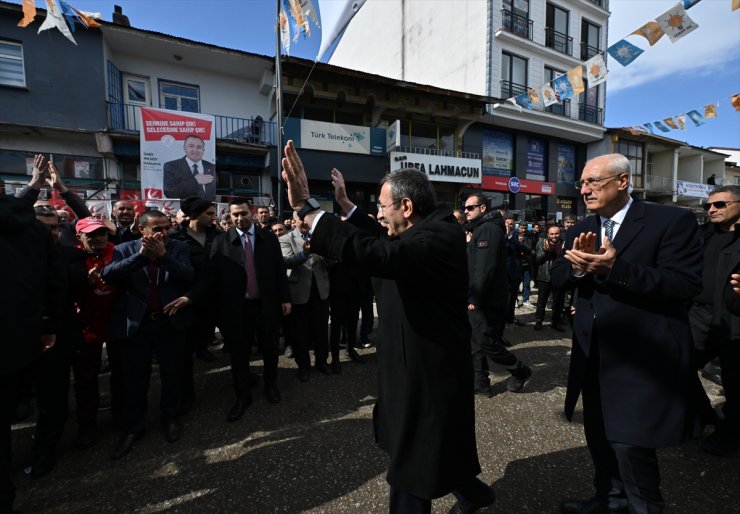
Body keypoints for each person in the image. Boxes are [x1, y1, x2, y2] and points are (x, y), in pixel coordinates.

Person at [282, 141, 495, 514]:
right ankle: (473, 494)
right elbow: (380, 236)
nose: (378, 214)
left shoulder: (438, 236)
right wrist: (346, 206)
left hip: (427, 370)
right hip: (410, 359)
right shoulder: (423, 228)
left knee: (412, 460)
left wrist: (308, 210)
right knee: (433, 443)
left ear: (406, 207)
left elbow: (380, 252)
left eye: (382, 206)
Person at [551, 154, 702, 514]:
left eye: (594, 182)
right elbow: (557, 277)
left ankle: (644, 506)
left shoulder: (670, 220)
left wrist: (616, 269)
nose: (585, 190)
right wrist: (577, 270)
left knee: (630, 444)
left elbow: (684, 283)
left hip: (641, 357)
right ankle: (609, 500)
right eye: (582, 184)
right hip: (594, 356)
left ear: (622, 181)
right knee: (599, 437)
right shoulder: (581, 228)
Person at [168, 200, 291, 421]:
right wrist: (190, 296)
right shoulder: (221, 241)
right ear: (230, 216)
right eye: (235, 215)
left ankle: (271, 385)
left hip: (266, 305)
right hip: (236, 309)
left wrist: (285, 298)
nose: (239, 218)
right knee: (239, 354)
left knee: (270, 349)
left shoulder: (269, 239)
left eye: (243, 213)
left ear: (252, 213)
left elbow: (279, 270)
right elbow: (209, 275)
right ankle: (242, 396)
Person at [102, 211, 194, 460]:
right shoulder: (124, 248)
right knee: (135, 379)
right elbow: (109, 274)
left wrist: (163, 257)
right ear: (142, 230)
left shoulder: (178, 247)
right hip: (137, 325)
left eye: (166, 228)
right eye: (157, 229)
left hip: (169, 323)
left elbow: (188, 275)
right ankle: (133, 427)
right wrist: (142, 257)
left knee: (172, 374)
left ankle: (171, 418)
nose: (163, 233)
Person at [1, 193, 62, 513]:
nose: (50, 234)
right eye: (43, 228)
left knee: (51, 397)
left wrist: (50, 324)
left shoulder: (56, 249)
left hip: (47, 339)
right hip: (19, 342)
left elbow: (57, 288)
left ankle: (45, 450)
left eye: (55, 228)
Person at [463, 194, 532, 397]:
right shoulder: (481, 228)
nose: (466, 211)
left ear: (482, 208)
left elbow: (484, 268)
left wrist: (474, 297)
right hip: (482, 296)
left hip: (486, 299)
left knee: (486, 341)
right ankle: (481, 384)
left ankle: (520, 370)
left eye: (470, 207)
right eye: (465, 208)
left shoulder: (488, 230)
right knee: (476, 341)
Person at [689, 186, 740, 455]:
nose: (712, 210)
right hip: (699, 314)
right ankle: (703, 416)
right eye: (708, 205)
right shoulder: (702, 235)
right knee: (678, 364)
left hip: (734, 319)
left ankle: (729, 435)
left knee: (733, 382)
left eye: (720, 204)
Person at [280, 214, 332, 380]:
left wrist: (326, 251)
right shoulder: (285, 239)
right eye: (300, 218)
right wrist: (304, 253)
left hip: (320, 291)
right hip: (298, 293)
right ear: (294, 221)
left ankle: (322, 362)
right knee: (300, 333)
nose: (304, 221)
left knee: (322, 329)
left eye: (307, 218)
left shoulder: (319, 237)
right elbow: (286, 261)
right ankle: (303, 366)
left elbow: (332, 262)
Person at [163, 135, 216, 201]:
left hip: (208, 209)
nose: (195, 150)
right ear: (184, 148)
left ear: (203, 150)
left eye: (199, 147)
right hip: (183, 210)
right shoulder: (171, 166)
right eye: (191, 146)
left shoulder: (212, 167)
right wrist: (195, 181)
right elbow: (170, 193)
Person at [534, 225, 566, 332]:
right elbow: (538, 260)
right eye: (552, 234)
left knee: (558, 302)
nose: (554, 236)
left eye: (556, 233)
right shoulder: (542, 243)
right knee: (541, 301)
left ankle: (556, 322)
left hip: (559, 277)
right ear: (548, 234)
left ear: (560, 234)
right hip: (544, 276)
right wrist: (546, 251)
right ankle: (539, 321)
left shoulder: (564, 244)